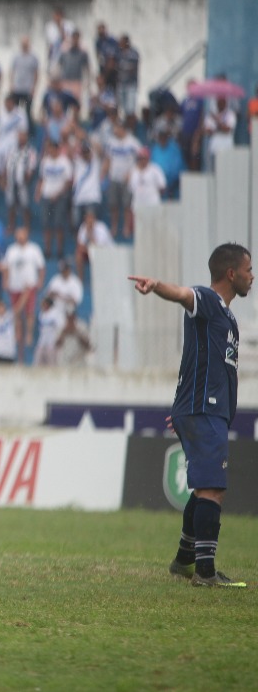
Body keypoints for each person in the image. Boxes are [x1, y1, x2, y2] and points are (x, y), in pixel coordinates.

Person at [129, 243, 253, 587]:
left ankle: (185, 560)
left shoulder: (226, 316)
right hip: (203, 410)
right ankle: (205, 572)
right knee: (213, 489)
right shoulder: (209, 300)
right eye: (248, 269)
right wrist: (157, 286)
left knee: (204, 489)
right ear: (231, 273)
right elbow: (184, 295)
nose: (252, 276)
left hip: (202, 410)